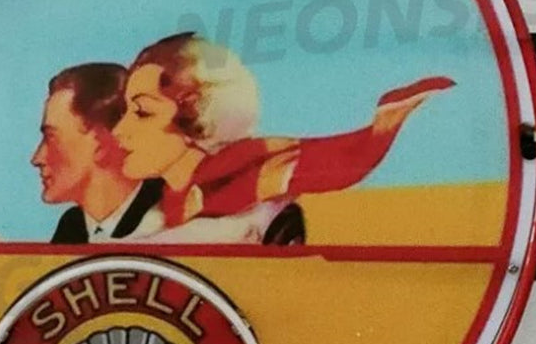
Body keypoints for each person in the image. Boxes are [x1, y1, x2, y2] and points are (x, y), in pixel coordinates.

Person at [111, 33, 454, 230]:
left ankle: (385, 122)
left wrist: (381, 130)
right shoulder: (160, 203)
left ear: (193, 116)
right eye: (125, 110)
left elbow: (329, 164)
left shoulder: (239, 177)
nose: (119, 130)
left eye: (142, 112)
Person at [30, 63, 164, 243]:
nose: (36, 158)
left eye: (51, 138)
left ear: (101, 142)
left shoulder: (171, 215)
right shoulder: (71, 227)